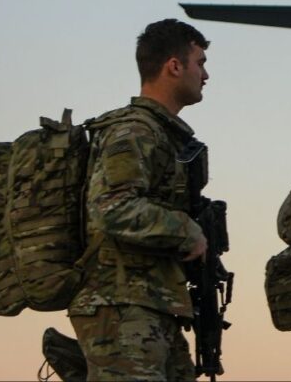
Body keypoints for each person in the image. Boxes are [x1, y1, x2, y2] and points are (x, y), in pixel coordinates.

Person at [67, 19, 211, 381]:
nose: (206, 74)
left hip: (148, 304)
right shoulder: (135, 130)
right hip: (120, 307)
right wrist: (186, 231)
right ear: (174, 66)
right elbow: (112, 208)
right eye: (200, 62)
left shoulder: (159, 134)